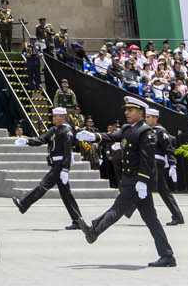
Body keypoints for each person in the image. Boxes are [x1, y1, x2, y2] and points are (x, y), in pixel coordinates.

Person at [76, 97, 175, 267]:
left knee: (118, 208)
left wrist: (143, 181)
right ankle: (167, 255)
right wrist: (94, 136)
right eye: (126, 110)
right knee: (151, 219)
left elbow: (147, 159)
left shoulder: (146, 132)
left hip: (137, 181)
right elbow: (112, 135)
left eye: (130, 110)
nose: (126, 113)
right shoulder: (128, 128)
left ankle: (93, 232)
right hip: (130, 179)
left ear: (141, 113)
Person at [10, 106, 85, 229]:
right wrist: (26, 141)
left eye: (56, 116)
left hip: (60, 166)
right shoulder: (54, 130)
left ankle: (24, 203)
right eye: (53, 116)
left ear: (62, 117)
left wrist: (66, 169)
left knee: (43, 185)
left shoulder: (67, 131)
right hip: (55, 165)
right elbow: (41, 139)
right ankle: (77, 220)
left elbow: (67, 152)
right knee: (66, 195)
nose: (53, 118)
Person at [143, 108, 185, 225]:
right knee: (162, 190)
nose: (146, 119)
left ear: (155, 118)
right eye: (145, 117)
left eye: (148, 117)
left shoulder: (160, 131)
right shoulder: (146, 131)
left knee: (152, 189)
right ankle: (177, 215)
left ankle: (150, 216)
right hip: (148, 163)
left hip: (156, 163)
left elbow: (168, 148)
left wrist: (173, 164)